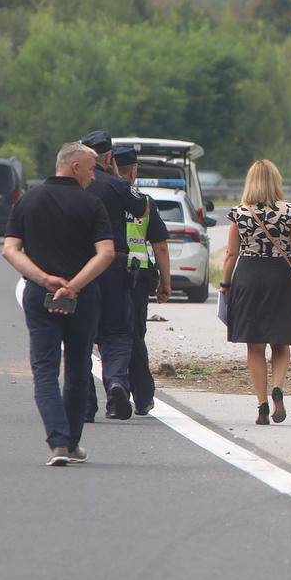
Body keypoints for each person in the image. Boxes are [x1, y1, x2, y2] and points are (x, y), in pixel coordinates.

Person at [1, 142, 116, 466]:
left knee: (45, 371)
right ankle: (70, 442)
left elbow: (10, 249)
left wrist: (44, 279)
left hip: (41, 294)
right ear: (76, 167)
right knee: (79, 368)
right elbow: (105, 253)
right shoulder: (92, 204)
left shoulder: (28, 200)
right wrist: (75, 286)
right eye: (92, 169)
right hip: (83, 297)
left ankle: (58, 443)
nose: (94, 177)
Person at [222, 159, 291, 425]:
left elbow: (231, 253)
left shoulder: (239, 213)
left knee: (254, 346)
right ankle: (278, 387)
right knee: (280, 341)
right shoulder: (290, 212)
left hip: (249, 276)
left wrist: (225, 285)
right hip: (280, 276)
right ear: (276, 181)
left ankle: (263, 405)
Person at [80, 129, 149, 421]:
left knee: (79, 336)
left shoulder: (71, 186)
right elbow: (142, 207)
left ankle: (84, 403)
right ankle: (117, 384)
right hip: (113, 270)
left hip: (78, 272)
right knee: (117, 334)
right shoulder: (115, 185)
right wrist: (118, 175)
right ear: (108, 157)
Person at [112, 146, 173, 415]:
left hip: (107, 273)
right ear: (134, 171)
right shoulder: (144, 202)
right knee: (135, 335)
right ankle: (143, 396)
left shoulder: (102, 196)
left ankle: (117, 384)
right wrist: (166, 282)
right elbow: (159, 245)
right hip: (138, 276)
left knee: (110, 334)